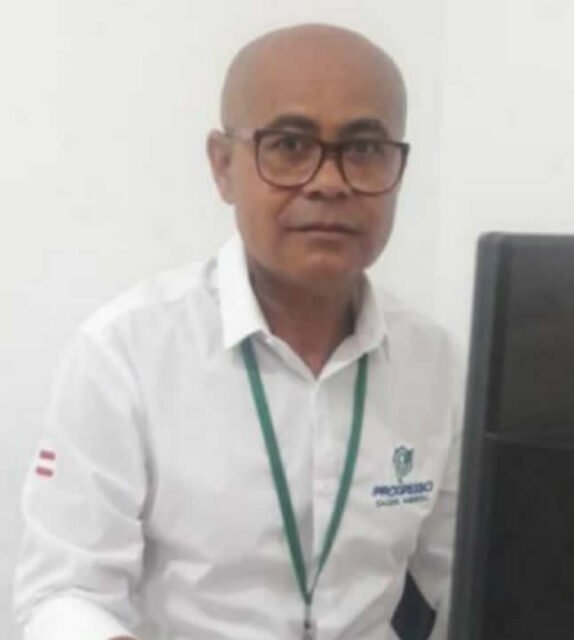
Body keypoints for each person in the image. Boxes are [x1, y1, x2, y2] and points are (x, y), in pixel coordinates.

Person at [13, 23, 460, 640]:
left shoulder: (435, 365)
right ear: (224, 166)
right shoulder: (126, 355)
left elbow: (473, 575)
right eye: (290, 145)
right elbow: (64, 594)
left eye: (363, 149)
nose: (330, 182)